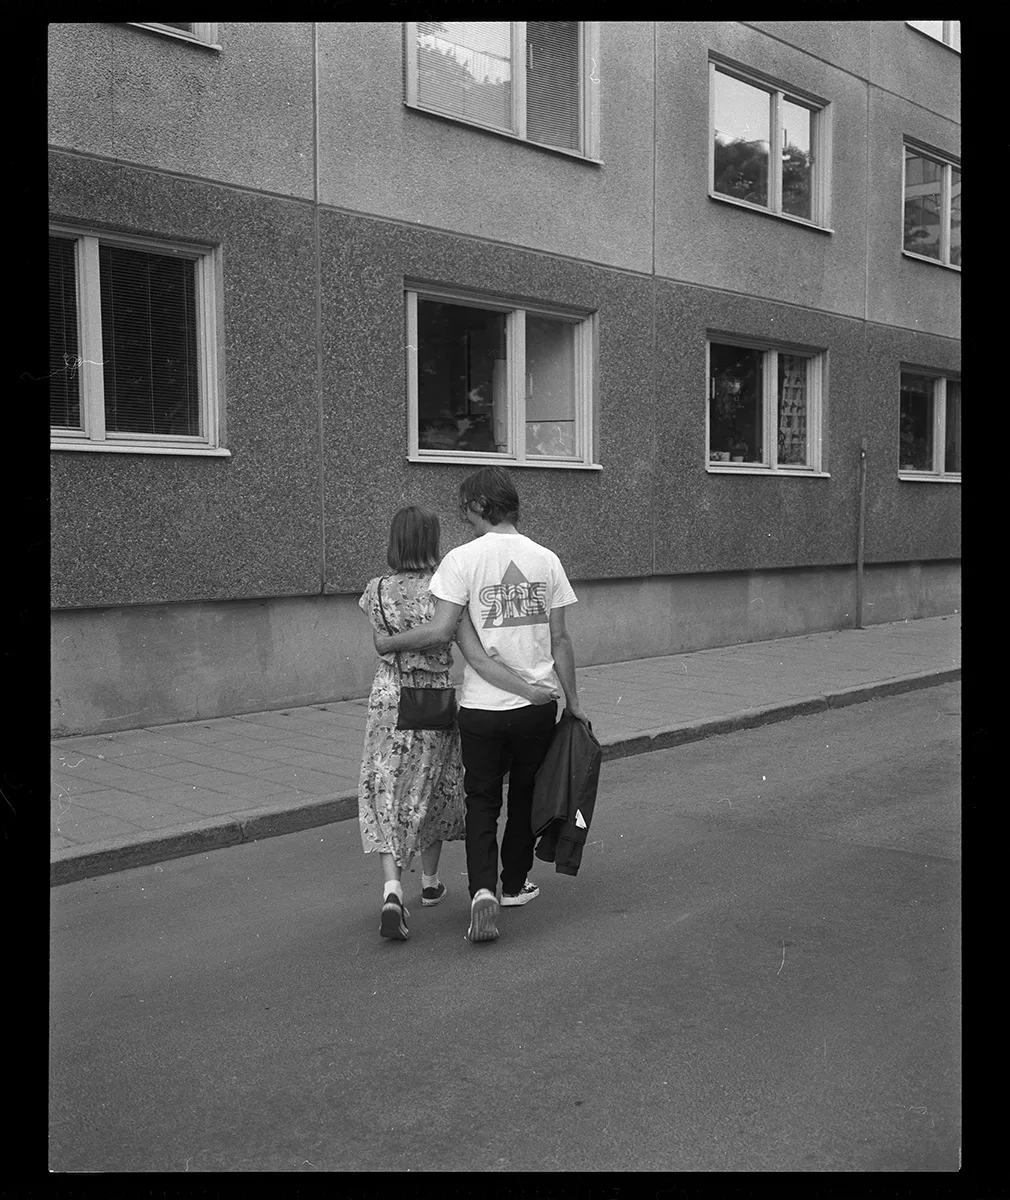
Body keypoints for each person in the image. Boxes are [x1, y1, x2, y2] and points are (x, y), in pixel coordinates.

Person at [373, 469, 587, 945]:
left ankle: (483, 892)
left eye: (466, 508)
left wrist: (387, 643)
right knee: (525, 797)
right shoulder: (547, 559)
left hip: (483, 709)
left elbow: (446, 632)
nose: (464, 517)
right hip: (537, 706)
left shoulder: (461, 560)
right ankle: (513, 884)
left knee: (483, 802)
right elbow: (561, 640)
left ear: (479, 507)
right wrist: (572, 703)